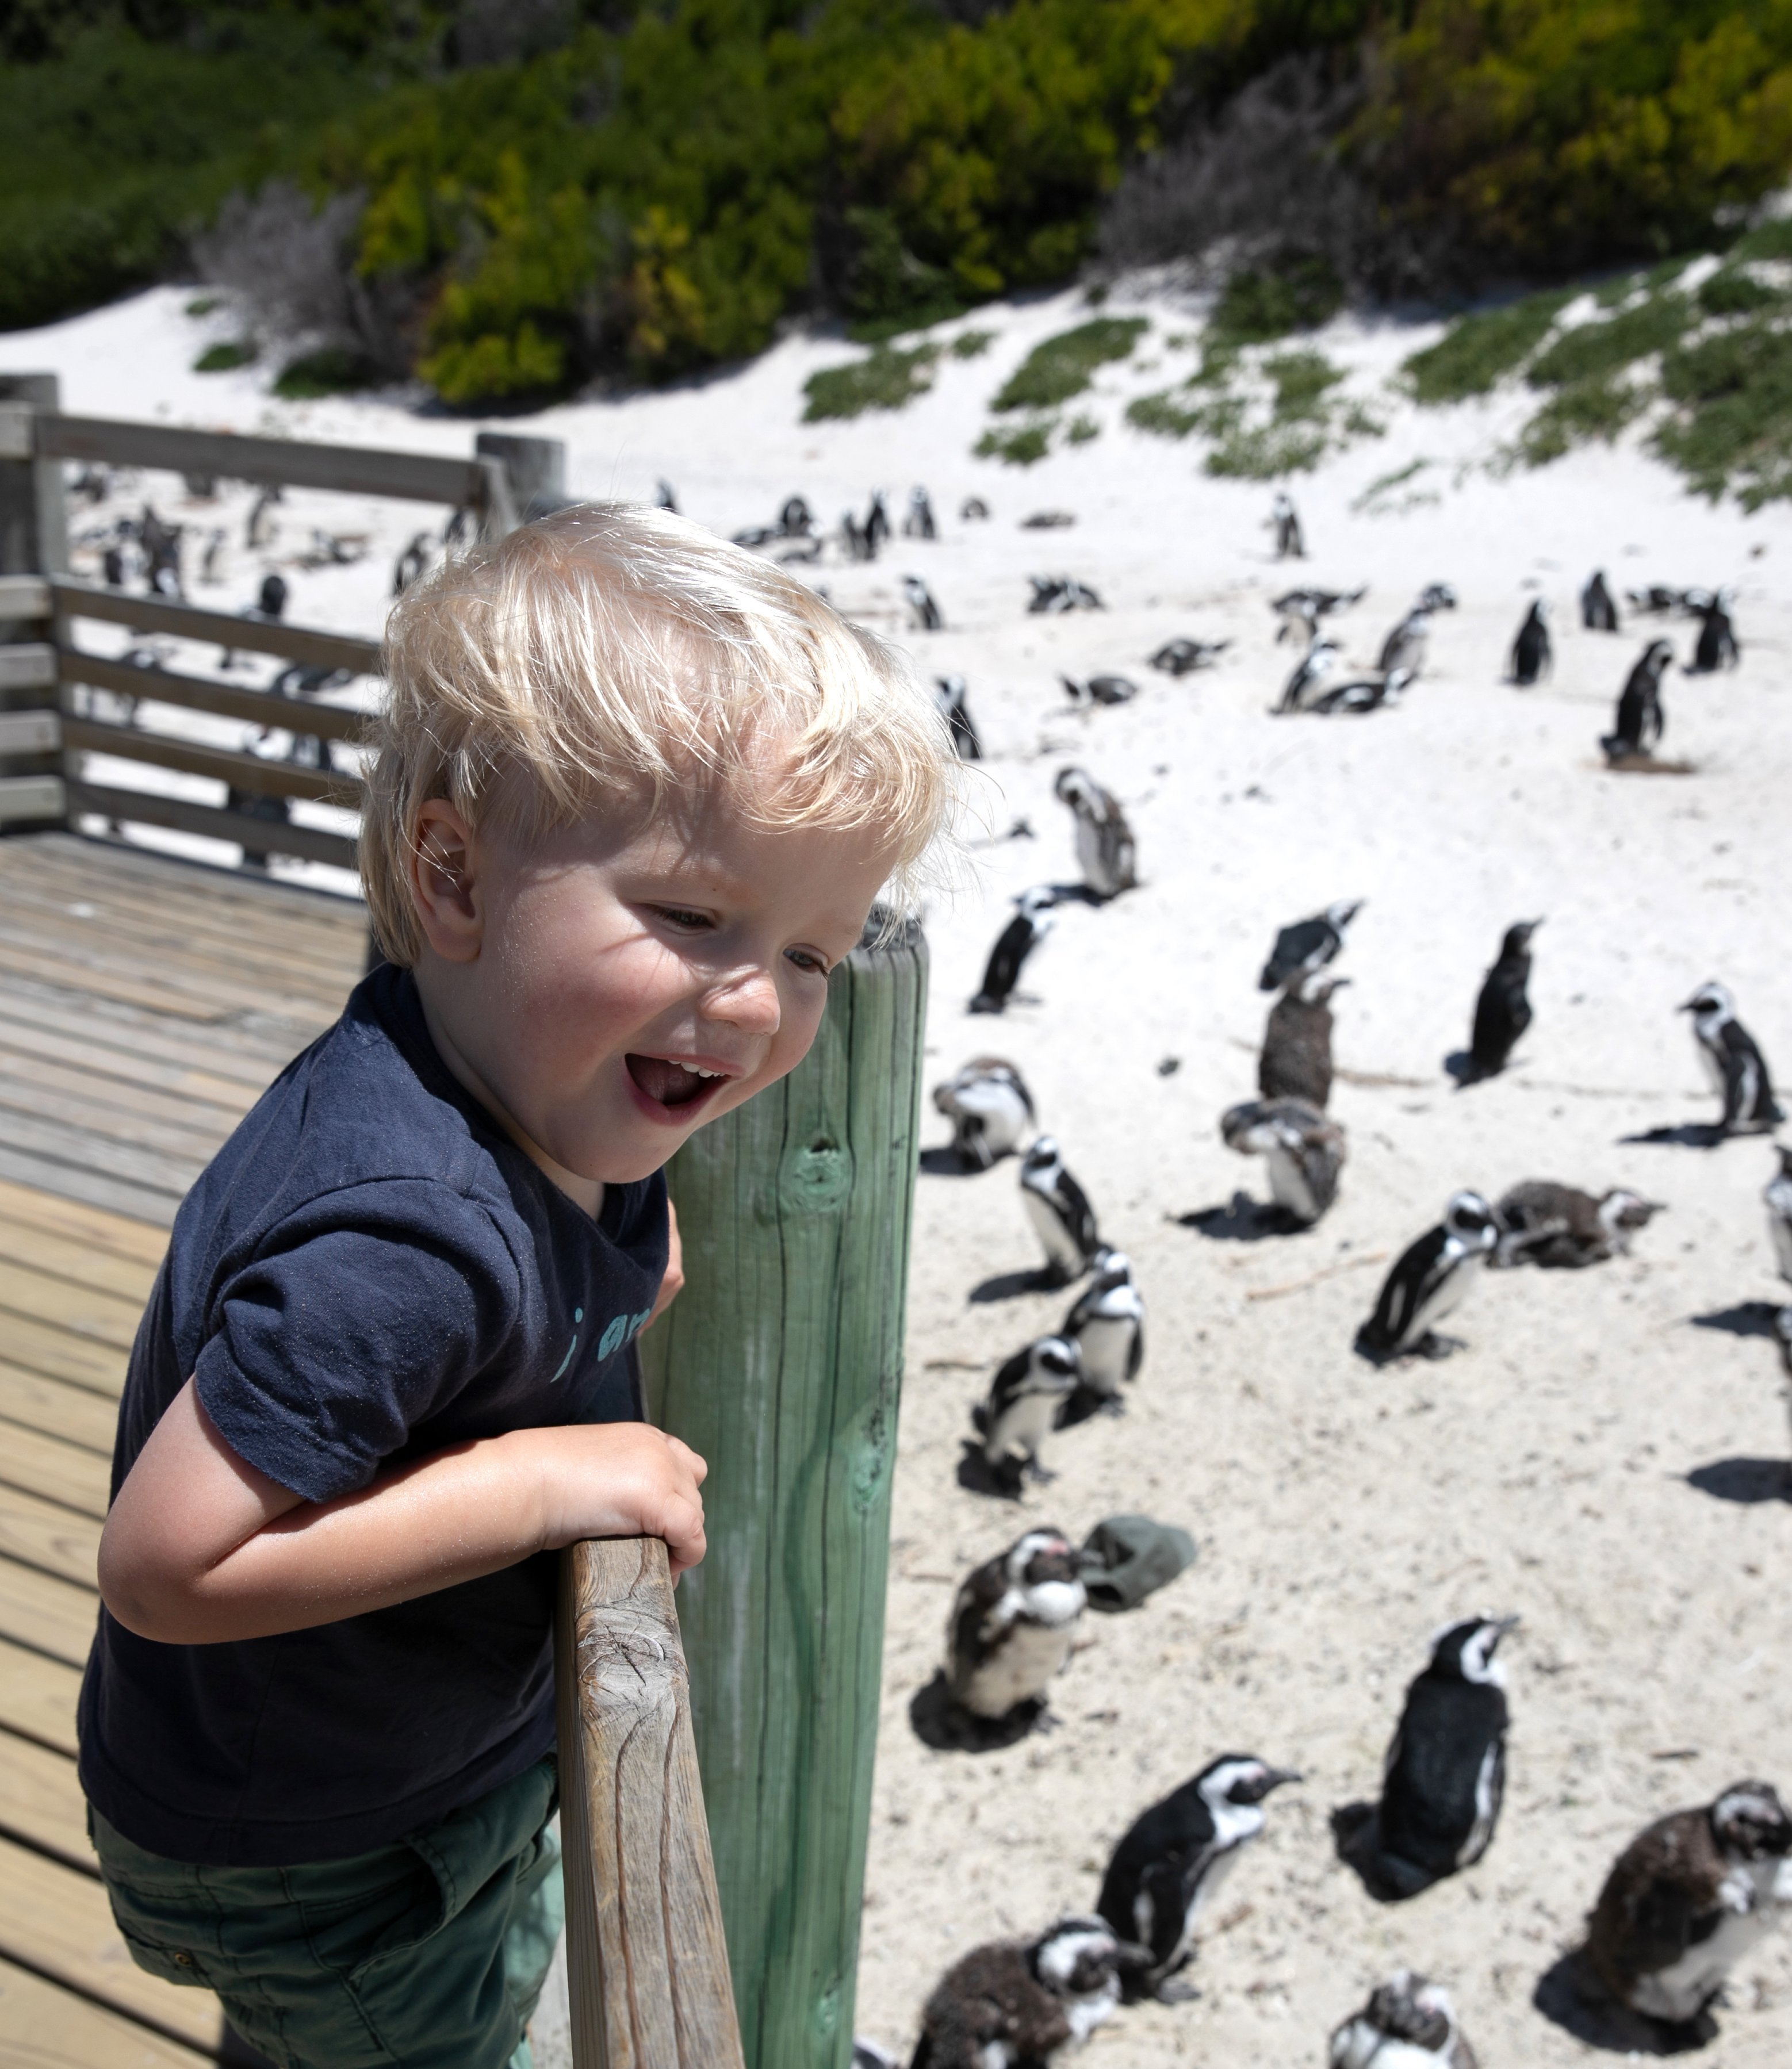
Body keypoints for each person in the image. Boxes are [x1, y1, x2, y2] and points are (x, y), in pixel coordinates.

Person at [81, 504, 956, 2069]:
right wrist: (542, 1476)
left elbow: (572, 1217)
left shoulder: (518, 1079)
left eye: (815, 955)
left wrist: (627, 1249)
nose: (754, 1000)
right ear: (454, 881)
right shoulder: (401, 1239)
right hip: (327, 1854)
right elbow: (162, 1568)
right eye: (692, 915)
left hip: (373, 1797)